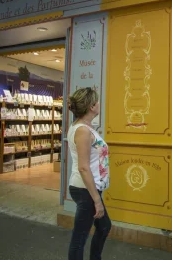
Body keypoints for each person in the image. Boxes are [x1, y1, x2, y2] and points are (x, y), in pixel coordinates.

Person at [67, 87, 111, 260]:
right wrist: (97, 200)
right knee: (79, 239)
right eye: (97, 101)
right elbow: (83, 168)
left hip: (88, 189)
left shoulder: (83, 127)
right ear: (92, 106)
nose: (100, 103)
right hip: (85, 189)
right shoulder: (82, 131)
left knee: (104, 226)